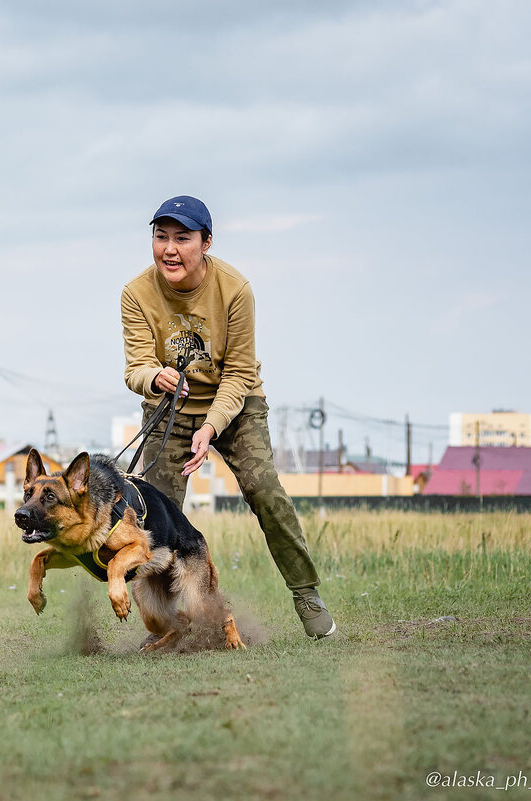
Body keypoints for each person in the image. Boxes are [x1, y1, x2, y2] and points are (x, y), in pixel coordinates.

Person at [120, 195, 336, 638]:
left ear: (206, 243)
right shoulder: (136, 293)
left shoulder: (235, 289)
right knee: (153, 516)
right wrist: (154, 376)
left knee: (265, 490)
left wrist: (210, 427)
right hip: (170, 406)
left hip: (235, 405)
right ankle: (166, 620)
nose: (170, 249)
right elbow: (135, 367)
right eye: (161, 237)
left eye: (183, 238)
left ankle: (306, 592)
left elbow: (238, 374)